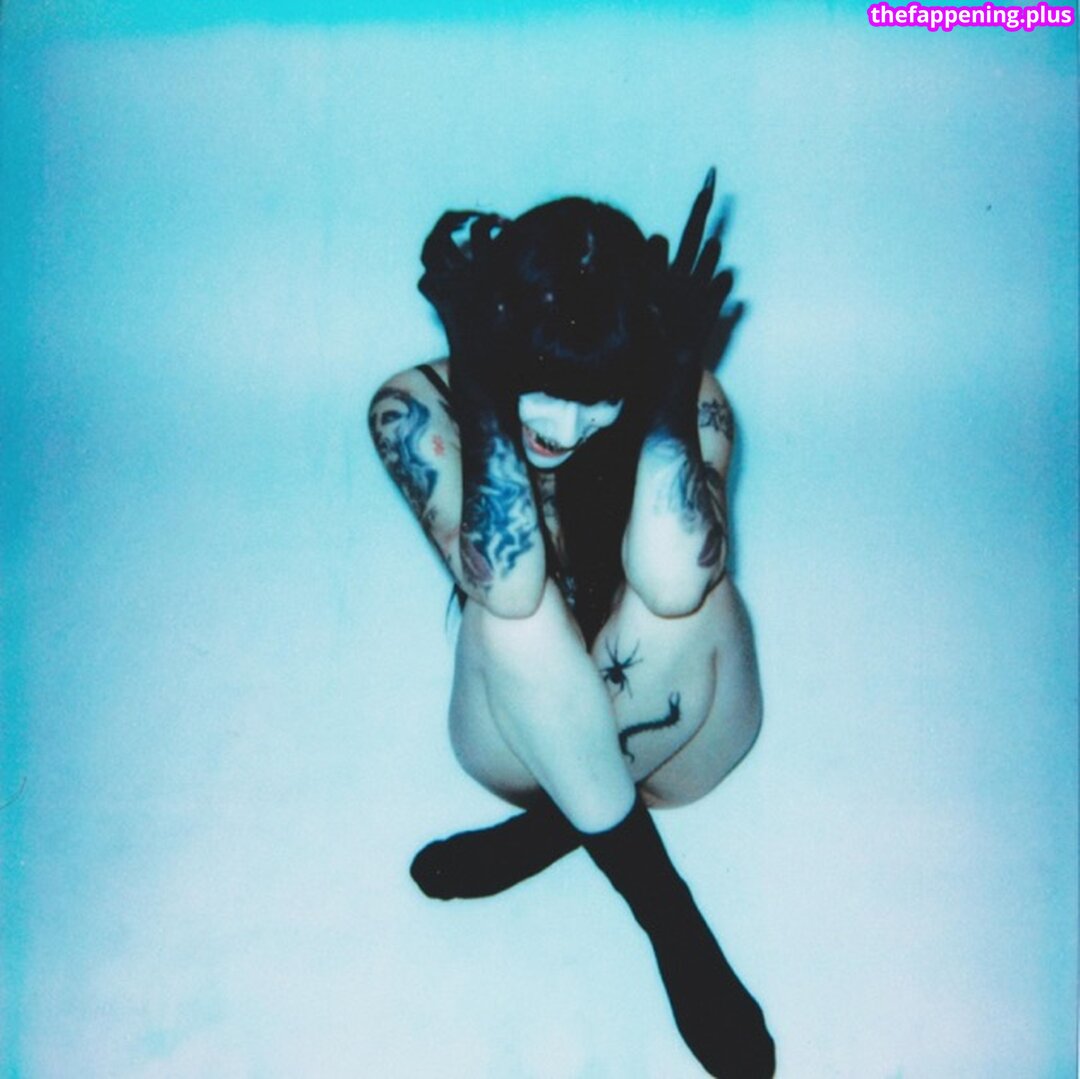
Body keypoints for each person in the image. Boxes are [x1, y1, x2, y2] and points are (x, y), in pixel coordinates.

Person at [369, 171, 775, 1078]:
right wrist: (480, 382)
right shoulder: (413, 406)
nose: (565, 422)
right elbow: (506, 580)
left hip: (686, 730)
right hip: (519, 730)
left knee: (685, 594)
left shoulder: (692, 395)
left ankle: (554, 829)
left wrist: (666, 388)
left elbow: (677, 573)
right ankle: (670, 914)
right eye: (539, 387)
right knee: (510, 617)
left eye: (600, 395)